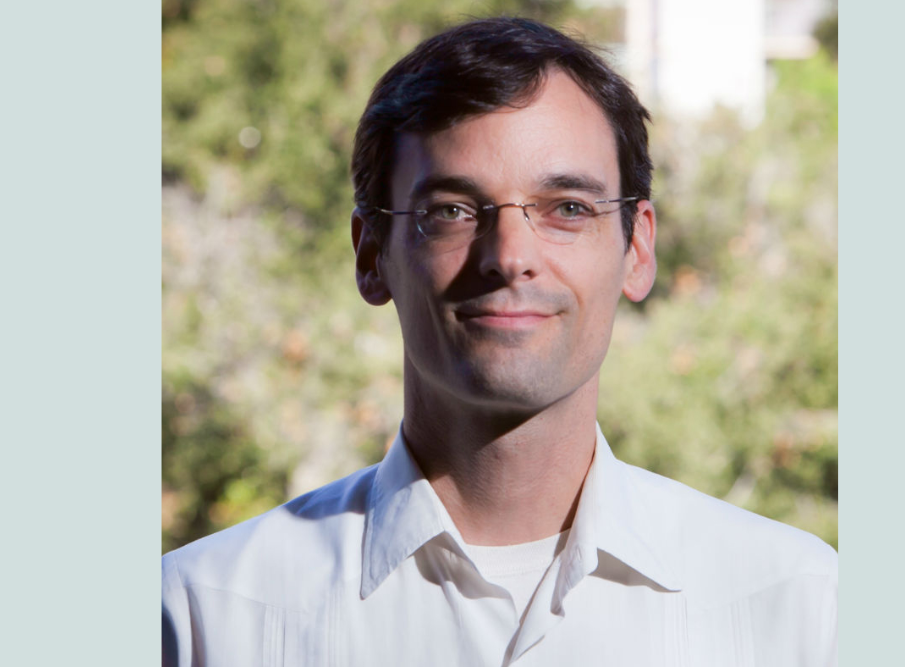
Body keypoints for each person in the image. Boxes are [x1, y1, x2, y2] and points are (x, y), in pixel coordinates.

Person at [162, 17, 837, 667]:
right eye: (451, 211)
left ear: (637, 249)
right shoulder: (202, 617)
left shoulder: (798, 606)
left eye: (567, 208)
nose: (510, 256)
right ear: (371, 256)